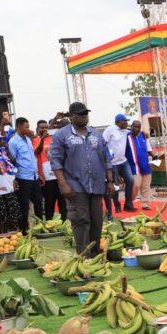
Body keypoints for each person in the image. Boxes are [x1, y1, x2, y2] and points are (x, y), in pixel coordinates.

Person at [50, 102, 114, 256]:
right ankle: (84, 256)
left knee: (97, 221)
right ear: (72, 117)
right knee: (81, 220)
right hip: (75, 186)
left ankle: (95, 254)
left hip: (97, 185)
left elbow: (106, 159)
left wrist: (110, 181)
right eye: (81, 114)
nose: (85, 116)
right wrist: (63, 185)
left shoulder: (96, 134)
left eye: (86, 113)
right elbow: (56, 161)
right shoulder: (62, 135)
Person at [8, 117, 43, 232]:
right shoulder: (13, 142)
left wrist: (38, 174)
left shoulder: (28, 139)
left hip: (34, 176)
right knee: (24, 204)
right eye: (26, 127)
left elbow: (32, 157)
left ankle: (40, 226)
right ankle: (24, 229)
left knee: (38, 202)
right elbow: (11, 161)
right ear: (19, 127)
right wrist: (14, 178)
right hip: (22, 177)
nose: (29, 129)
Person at [34, 120, 67, 220]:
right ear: (37, 129)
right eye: (42, 128)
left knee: (62, 200)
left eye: (46, 127)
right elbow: (37, 152)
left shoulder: (54, 138)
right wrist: (42, 139)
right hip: (46, 177)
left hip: (59, 174)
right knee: (49, 201)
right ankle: (49, 222)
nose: (44, 129)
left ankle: (64, 221)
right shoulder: (35, 140)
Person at [103, 114, 135, 211]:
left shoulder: (126, 131)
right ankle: (117, 205)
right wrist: (107, 156)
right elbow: (103, 143)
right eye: (125, 121)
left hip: (123, 161)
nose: (127, 123)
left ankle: (128, 203)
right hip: (112, 163)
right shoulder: (110, 130)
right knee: (115, 186)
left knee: (130, 180)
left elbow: (136, 132)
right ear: (119, 122)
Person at [125, 120, 153, 211]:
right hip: (134, 166)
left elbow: (149, 149)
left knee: (146, 186)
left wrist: (155, 157)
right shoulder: (127, 137)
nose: (136, 129)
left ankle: (145, 204)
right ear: (131, 126)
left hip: (145, 165)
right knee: (136, 185)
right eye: (135, 126)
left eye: (138, 127)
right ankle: (129, 202)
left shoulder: (143, 136)